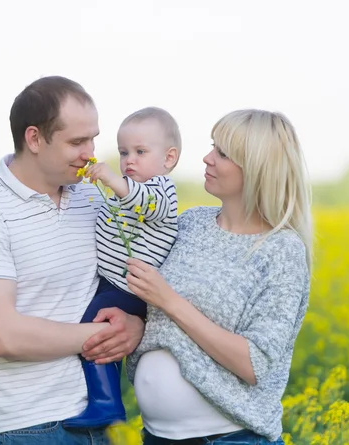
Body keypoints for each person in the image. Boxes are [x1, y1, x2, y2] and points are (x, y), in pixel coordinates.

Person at [0, 75, 145, 445]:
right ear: (34, 138)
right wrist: (108, 335)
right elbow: (3, 336)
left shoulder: (93, 199)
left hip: (100, 422)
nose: (90, 153)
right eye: (76, 141)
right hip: (29, 429)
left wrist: (136, 326)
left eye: (93, 139)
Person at [124, 109, 313, 445]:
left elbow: (255, 363)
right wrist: (135, 323)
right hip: (157, 437)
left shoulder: (282, 250)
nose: (207, 158)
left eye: (222, 153)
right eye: (213, 147)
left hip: (229, 438)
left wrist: (168, 301)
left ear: (255, 167)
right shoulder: (190, 222)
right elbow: (157, 312)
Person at [63, 107, 181, 429]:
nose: (129, 160)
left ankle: (106, 404)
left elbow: (144, 204)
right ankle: (104, 398)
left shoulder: (161, 191)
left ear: (168, 159)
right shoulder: (122, 192)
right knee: (102, 334)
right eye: (123, 152)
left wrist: (113, 181)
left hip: (129, 289)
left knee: (94, 331)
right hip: (111, 283)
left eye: (141, 152)